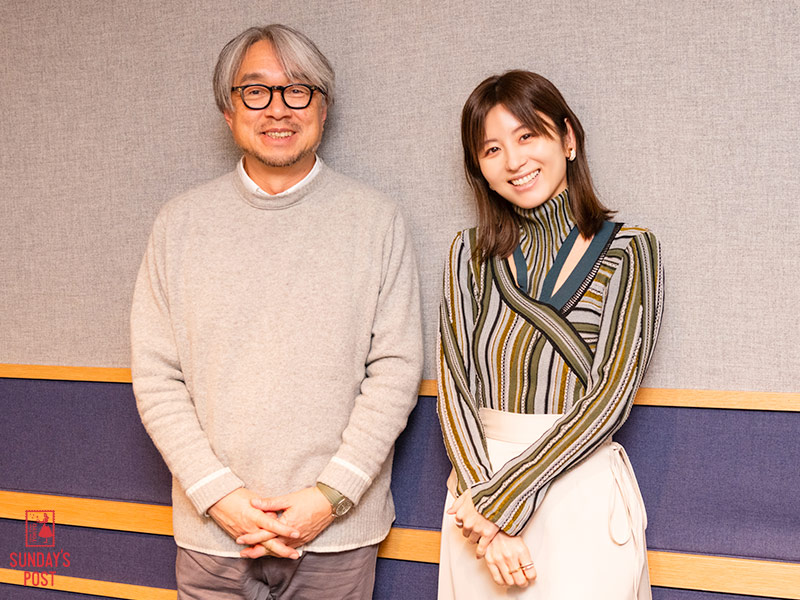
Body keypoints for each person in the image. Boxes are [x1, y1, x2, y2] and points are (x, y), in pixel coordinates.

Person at [131, 24, 423, 599]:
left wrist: (330, 498)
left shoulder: (376, 221)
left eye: (298, 90)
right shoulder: (178, 225)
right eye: (255, 91)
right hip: (212, 536)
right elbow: (157, 378)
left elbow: (395, 371)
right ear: (228, 111)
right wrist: (218, 496)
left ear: (323, 106)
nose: (278, 108)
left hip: (337, 536)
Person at [436, 70, 663, 599]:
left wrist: (502, 506)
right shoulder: (467, 255)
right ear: (479, 168)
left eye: (527, 136)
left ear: (568, 138)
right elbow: (453, 388)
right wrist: (487, 513)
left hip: (575, 491)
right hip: (475, 502)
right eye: (492, 149)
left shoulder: (630, 250)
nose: (514, 161)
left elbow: (611, 397)